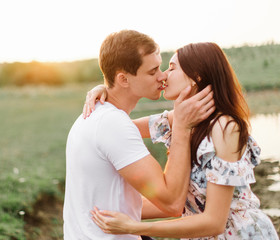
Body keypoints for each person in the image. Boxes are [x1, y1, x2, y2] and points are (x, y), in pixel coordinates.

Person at [88, 42, 279, 239]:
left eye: (171, 68)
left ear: (196, 76)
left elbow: (214, 222)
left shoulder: (224, 127)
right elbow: (117, 128)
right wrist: (106, 92)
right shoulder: (180, 118)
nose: (163, 75)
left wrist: (134, 227)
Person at [63, 30, 215, 240]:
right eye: (153, 72)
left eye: (162, 67)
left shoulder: (99, 118)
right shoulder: (112, 124)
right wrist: (181, 128)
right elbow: (171, 203)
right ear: (124, 79)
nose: (162, 76)